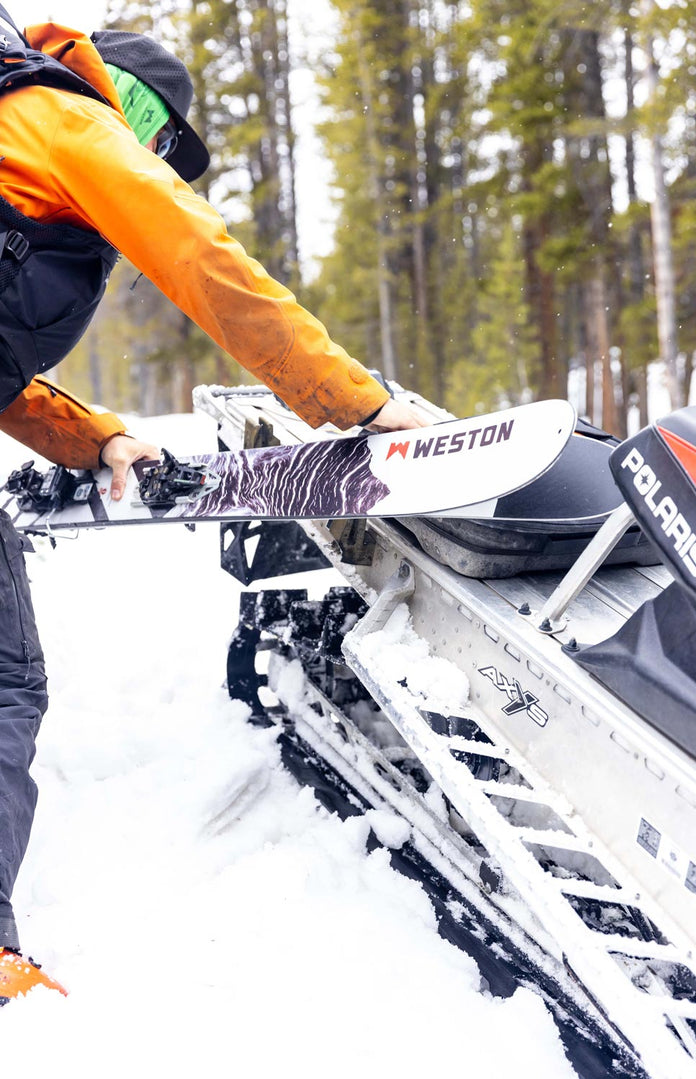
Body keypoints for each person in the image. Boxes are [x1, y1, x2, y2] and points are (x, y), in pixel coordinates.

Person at [0, 8, 427, 1002]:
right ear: (124, 94)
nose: (154, 153)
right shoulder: (65, 119)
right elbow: (203, 261)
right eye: (157, 130)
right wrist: (354, 401)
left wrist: (93, 437)